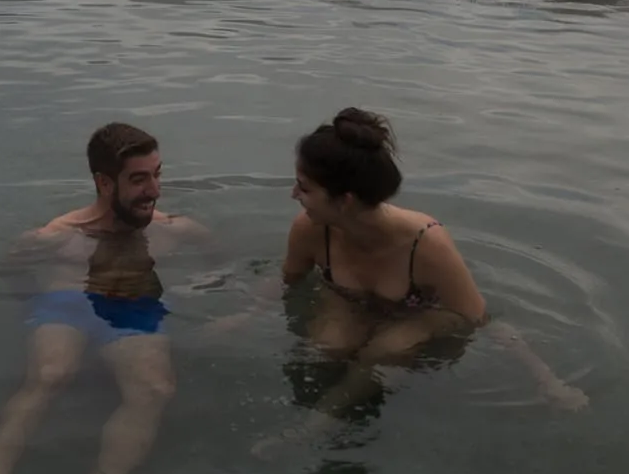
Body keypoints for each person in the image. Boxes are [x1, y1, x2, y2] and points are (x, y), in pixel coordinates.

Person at [238, 106, 586, 452]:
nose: (293, 195)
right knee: (329, 346)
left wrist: (547, 379)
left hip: (423, 312)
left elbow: (479, 317)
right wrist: (244, 316)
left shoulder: (427, 244)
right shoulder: (311, 229)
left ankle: (312, 428)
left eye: (304, 188)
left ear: (344, 200)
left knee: (385, 349)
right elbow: (288, 279)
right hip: (350, 300)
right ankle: (339, 411)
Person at [0, 121, 209, 474]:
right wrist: (36, 308)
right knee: (51, 373)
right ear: (103, 182)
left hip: (132, 305)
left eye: (157, 174)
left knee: (154, 388)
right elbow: (10, 271)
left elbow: (224, 262)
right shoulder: (56, 238)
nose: (154, 190)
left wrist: (203, 292)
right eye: (139, 179)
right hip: (66, 300)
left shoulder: (174, 229)